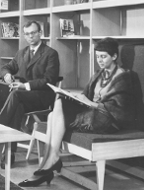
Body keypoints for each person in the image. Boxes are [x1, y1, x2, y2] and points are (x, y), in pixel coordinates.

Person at [18, 37, 136, 187]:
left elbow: (121, 108)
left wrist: (90, 103)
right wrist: (77, 98)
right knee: (53, 112)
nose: (99, 60)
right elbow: (86, 94)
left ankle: (51, 161)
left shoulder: (124, 76)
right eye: (98, 56)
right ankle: (49, 161)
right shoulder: (99, 74)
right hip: (93, 114)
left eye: (104, 56)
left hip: (109, 120)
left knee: (57, 106)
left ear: (114, 56)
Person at [0, 20, 59, 169]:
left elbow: (49, 80)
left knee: (16, 94)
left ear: (40, 33)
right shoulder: (22, 52)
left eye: (33, 33)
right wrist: (6, 75)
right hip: (24, 98)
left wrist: (25, 85)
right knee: (17, 105)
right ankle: (9, 153)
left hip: (42, 97)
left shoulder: (51, 53)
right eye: (27, 34)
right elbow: (6, 67)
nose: (30, 36)